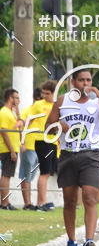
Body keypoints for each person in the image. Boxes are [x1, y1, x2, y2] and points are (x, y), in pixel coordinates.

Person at [46, 68, 99, 246]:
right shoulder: (63, 101)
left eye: (88, 80)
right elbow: (48, 126)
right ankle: (71, 241)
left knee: (89, 196)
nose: (85, 84)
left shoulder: (98, 102)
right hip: (68, 154)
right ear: (73, 82)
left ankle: (89, 241)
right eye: (81, 80)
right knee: (70, 201)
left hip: (92, 155)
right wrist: (59, 126)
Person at [19, 82, 59, 210]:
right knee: (44, 173)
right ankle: (41, 203)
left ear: (54, 93)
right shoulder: (38, 105)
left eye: (47, 93)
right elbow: (27, 120)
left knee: (47, 174)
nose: (44, 96)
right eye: (43, 93)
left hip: (53, 141)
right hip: (41, 141)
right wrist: (23, 140)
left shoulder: (57, 105)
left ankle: (41, 202)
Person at [0, 88, 22, 210]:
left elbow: (19, 122)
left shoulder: (11, 112)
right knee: (6, 175)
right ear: (10, 98)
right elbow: (4, 131)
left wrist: (17, 109)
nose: (19, 100)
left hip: (13, 147)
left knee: (7, 175)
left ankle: (5, 202)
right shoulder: (4, 112)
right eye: (17, 98)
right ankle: (4, 203)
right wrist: (12, 150)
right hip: (7, 149)